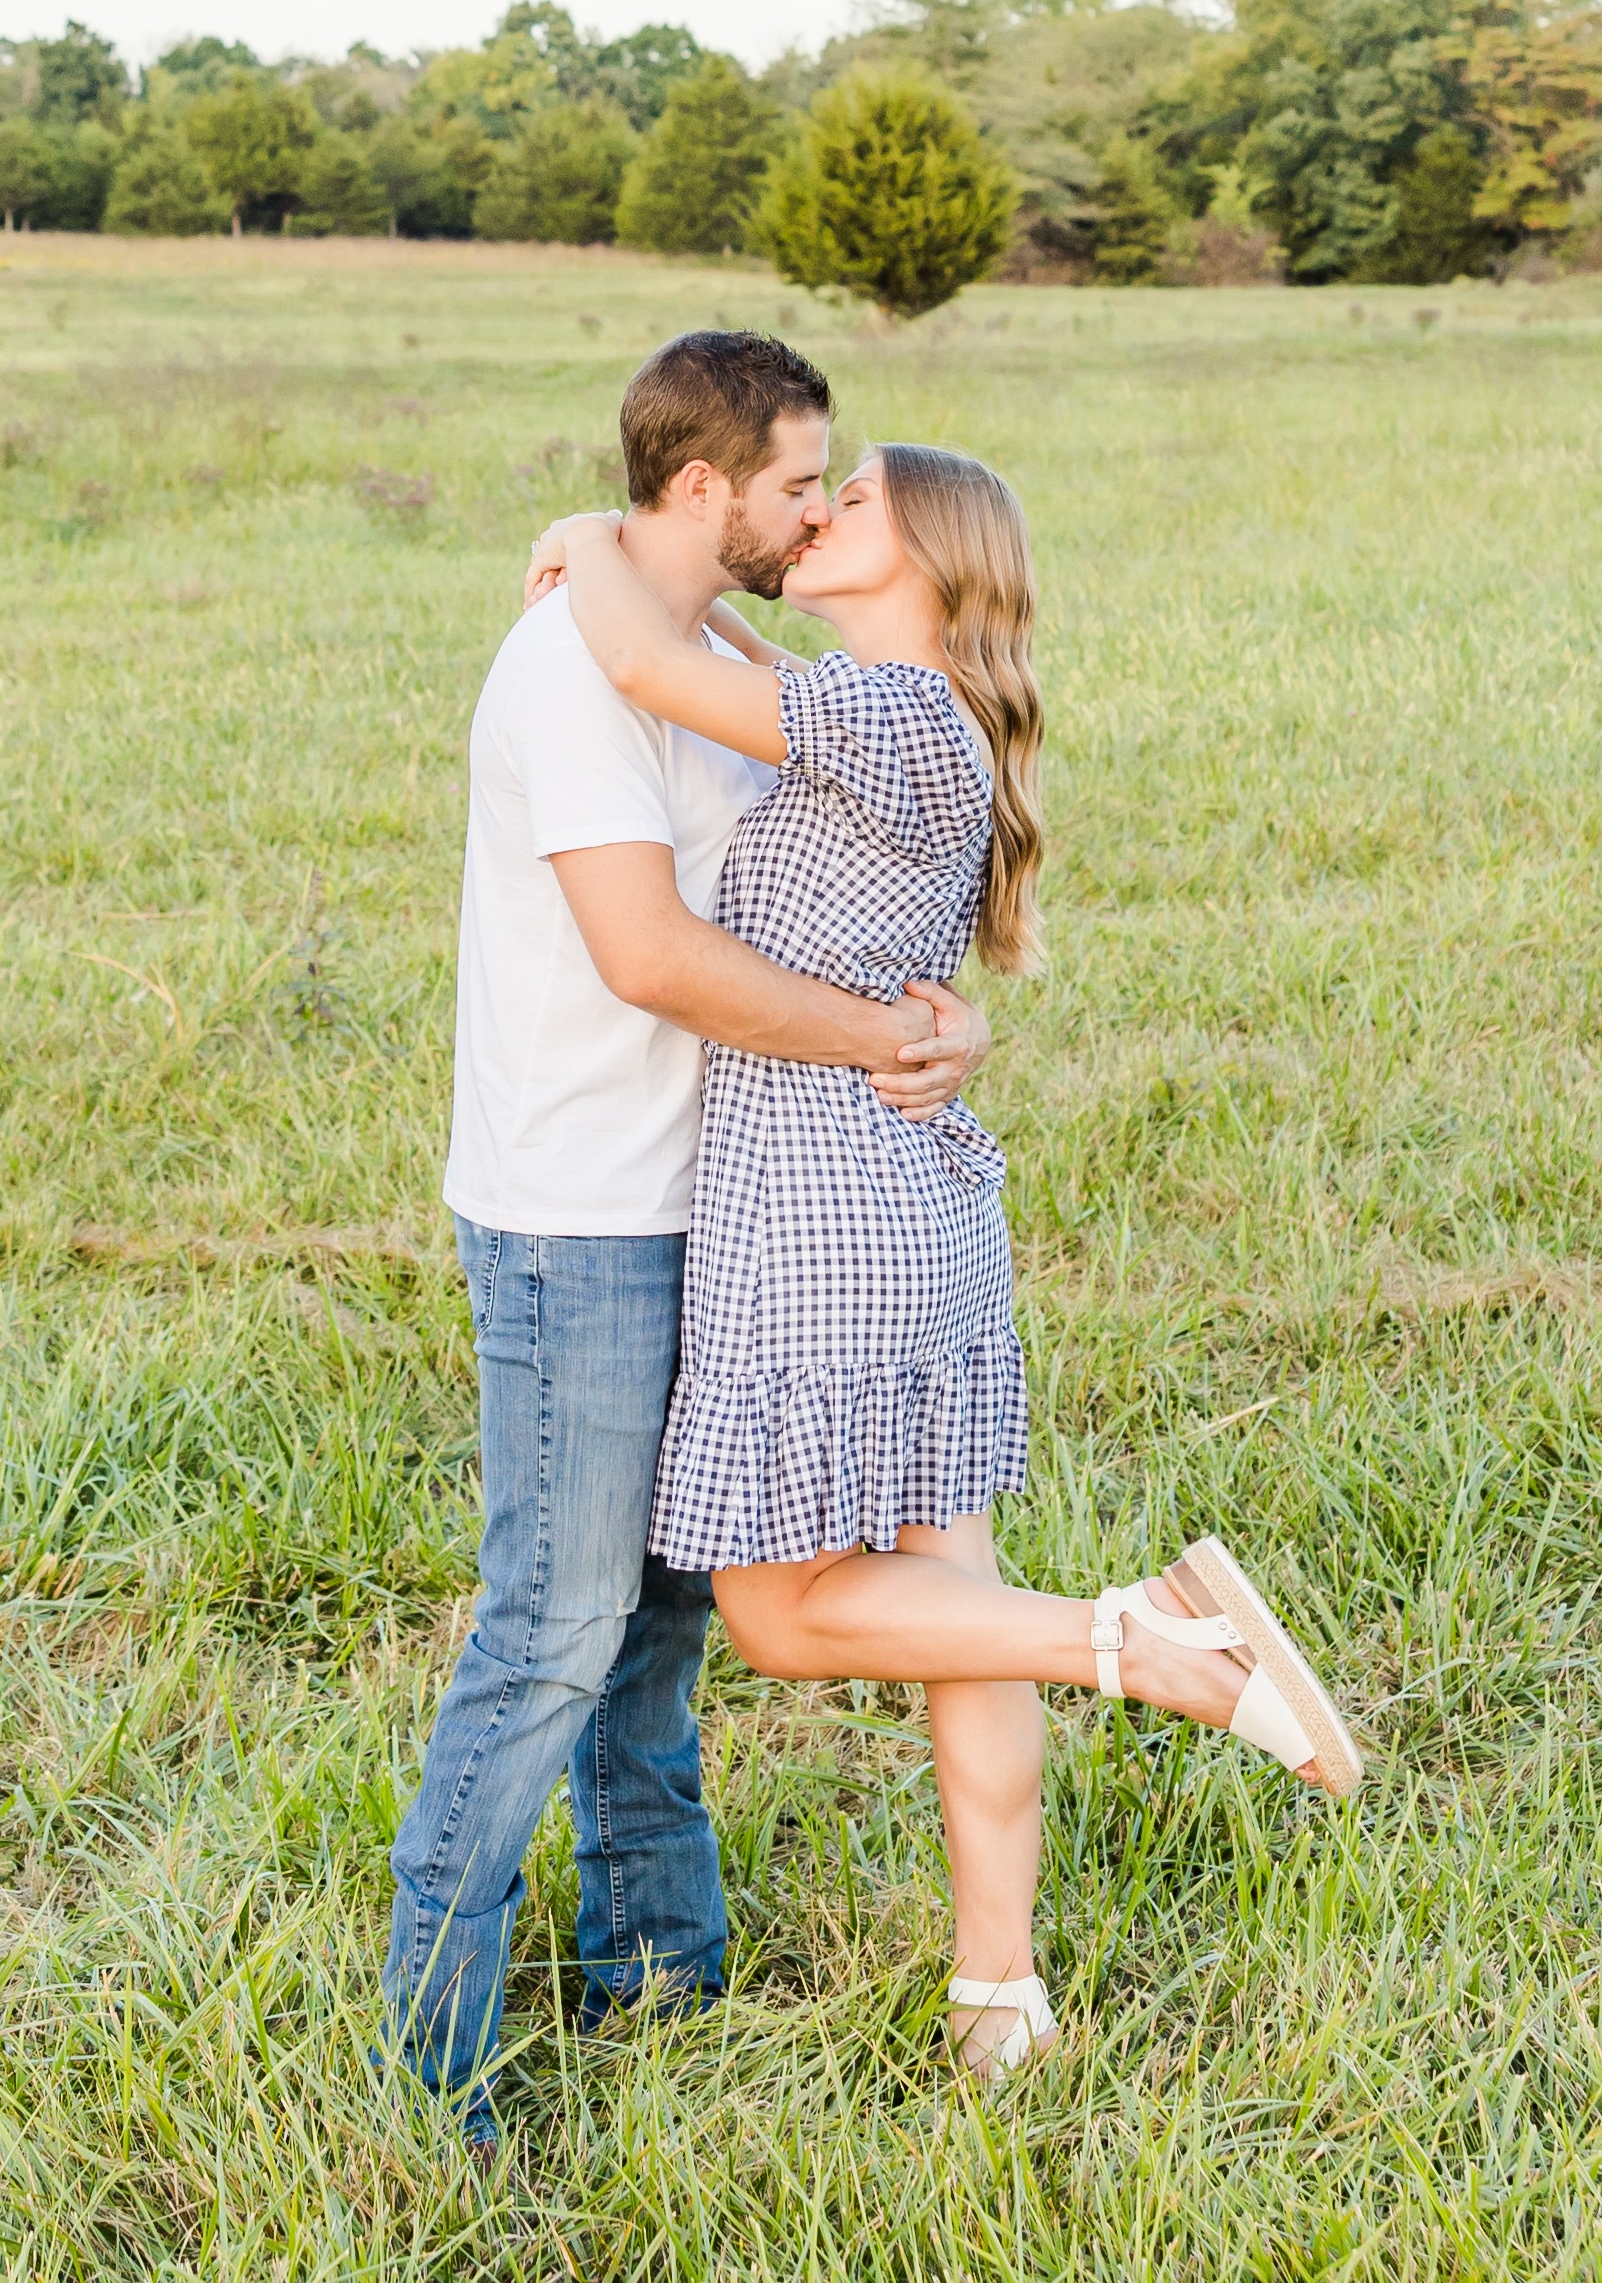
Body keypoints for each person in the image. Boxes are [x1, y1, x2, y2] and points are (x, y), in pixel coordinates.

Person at [537, 437, 1361, 2084]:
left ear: (927, 553)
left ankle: (1140, 1640)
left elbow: (634, 647)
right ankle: (1001, 1995)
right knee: (953, 1599)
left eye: (851, 499)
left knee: (783, 1617)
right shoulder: (910, 712)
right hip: (903, 1200)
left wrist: (584, 524)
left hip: (826, 1212)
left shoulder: (901, 717)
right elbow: (742, 653)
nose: (816, 509)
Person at [381, 329, 993, 2141]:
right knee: (555, 1631)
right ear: (707, 487)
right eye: (802, 479)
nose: (821, 506)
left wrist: (941, 1015)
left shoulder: (717, 638)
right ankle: (432, 2064)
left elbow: (849, 845)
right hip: (581, 1215)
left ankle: (658, 1954)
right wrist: (887, 1032)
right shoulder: (566, 674)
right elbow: (650, 956)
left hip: (710, 1204)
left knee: (657, 1625)